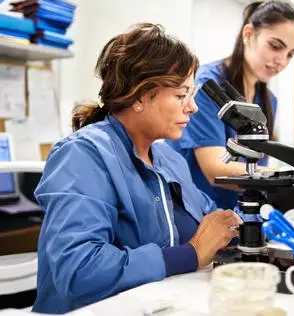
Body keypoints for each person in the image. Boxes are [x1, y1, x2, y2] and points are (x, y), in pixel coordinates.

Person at [32, 23, 241, 314]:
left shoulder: (168, 159)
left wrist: (259, 222)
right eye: (182, 95)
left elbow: (209, 219)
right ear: (140, 96)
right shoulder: (82, 155)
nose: (192, 107)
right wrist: (190, 254)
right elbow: (79, 269)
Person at [167, 0, 294, 210]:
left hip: (240, 215)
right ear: (248, 34)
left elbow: (256, 169)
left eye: (290, 54)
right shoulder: (207, 86)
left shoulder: (269, 100)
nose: (282, 61)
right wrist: (291, 179)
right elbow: (216, 169)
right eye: (275, 46)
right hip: (199, 215)